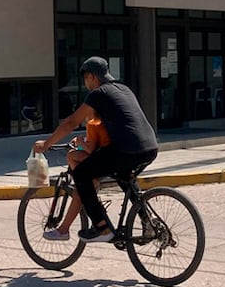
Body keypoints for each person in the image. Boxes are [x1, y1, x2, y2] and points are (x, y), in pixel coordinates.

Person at [34, 56, 158, 243]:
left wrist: (47, 143)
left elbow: (71, 122)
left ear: (91, 76)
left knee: (83, 175)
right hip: (150, 147)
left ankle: (102, 228)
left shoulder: (99, 93)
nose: (85, 84)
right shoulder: (124, 89)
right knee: (125, 177)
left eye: (85, 79)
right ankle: (147, 221)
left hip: (125, 149)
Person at [42, 108, 110, 241]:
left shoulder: (93, 123)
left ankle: (63, 230)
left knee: (72, 156)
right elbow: (96, 143)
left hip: (102, 162)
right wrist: (82, 142)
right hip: (111, 158)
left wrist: (80, 143)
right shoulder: (104, 122)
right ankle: (88, 182)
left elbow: (90, 150)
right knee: (75, 156)